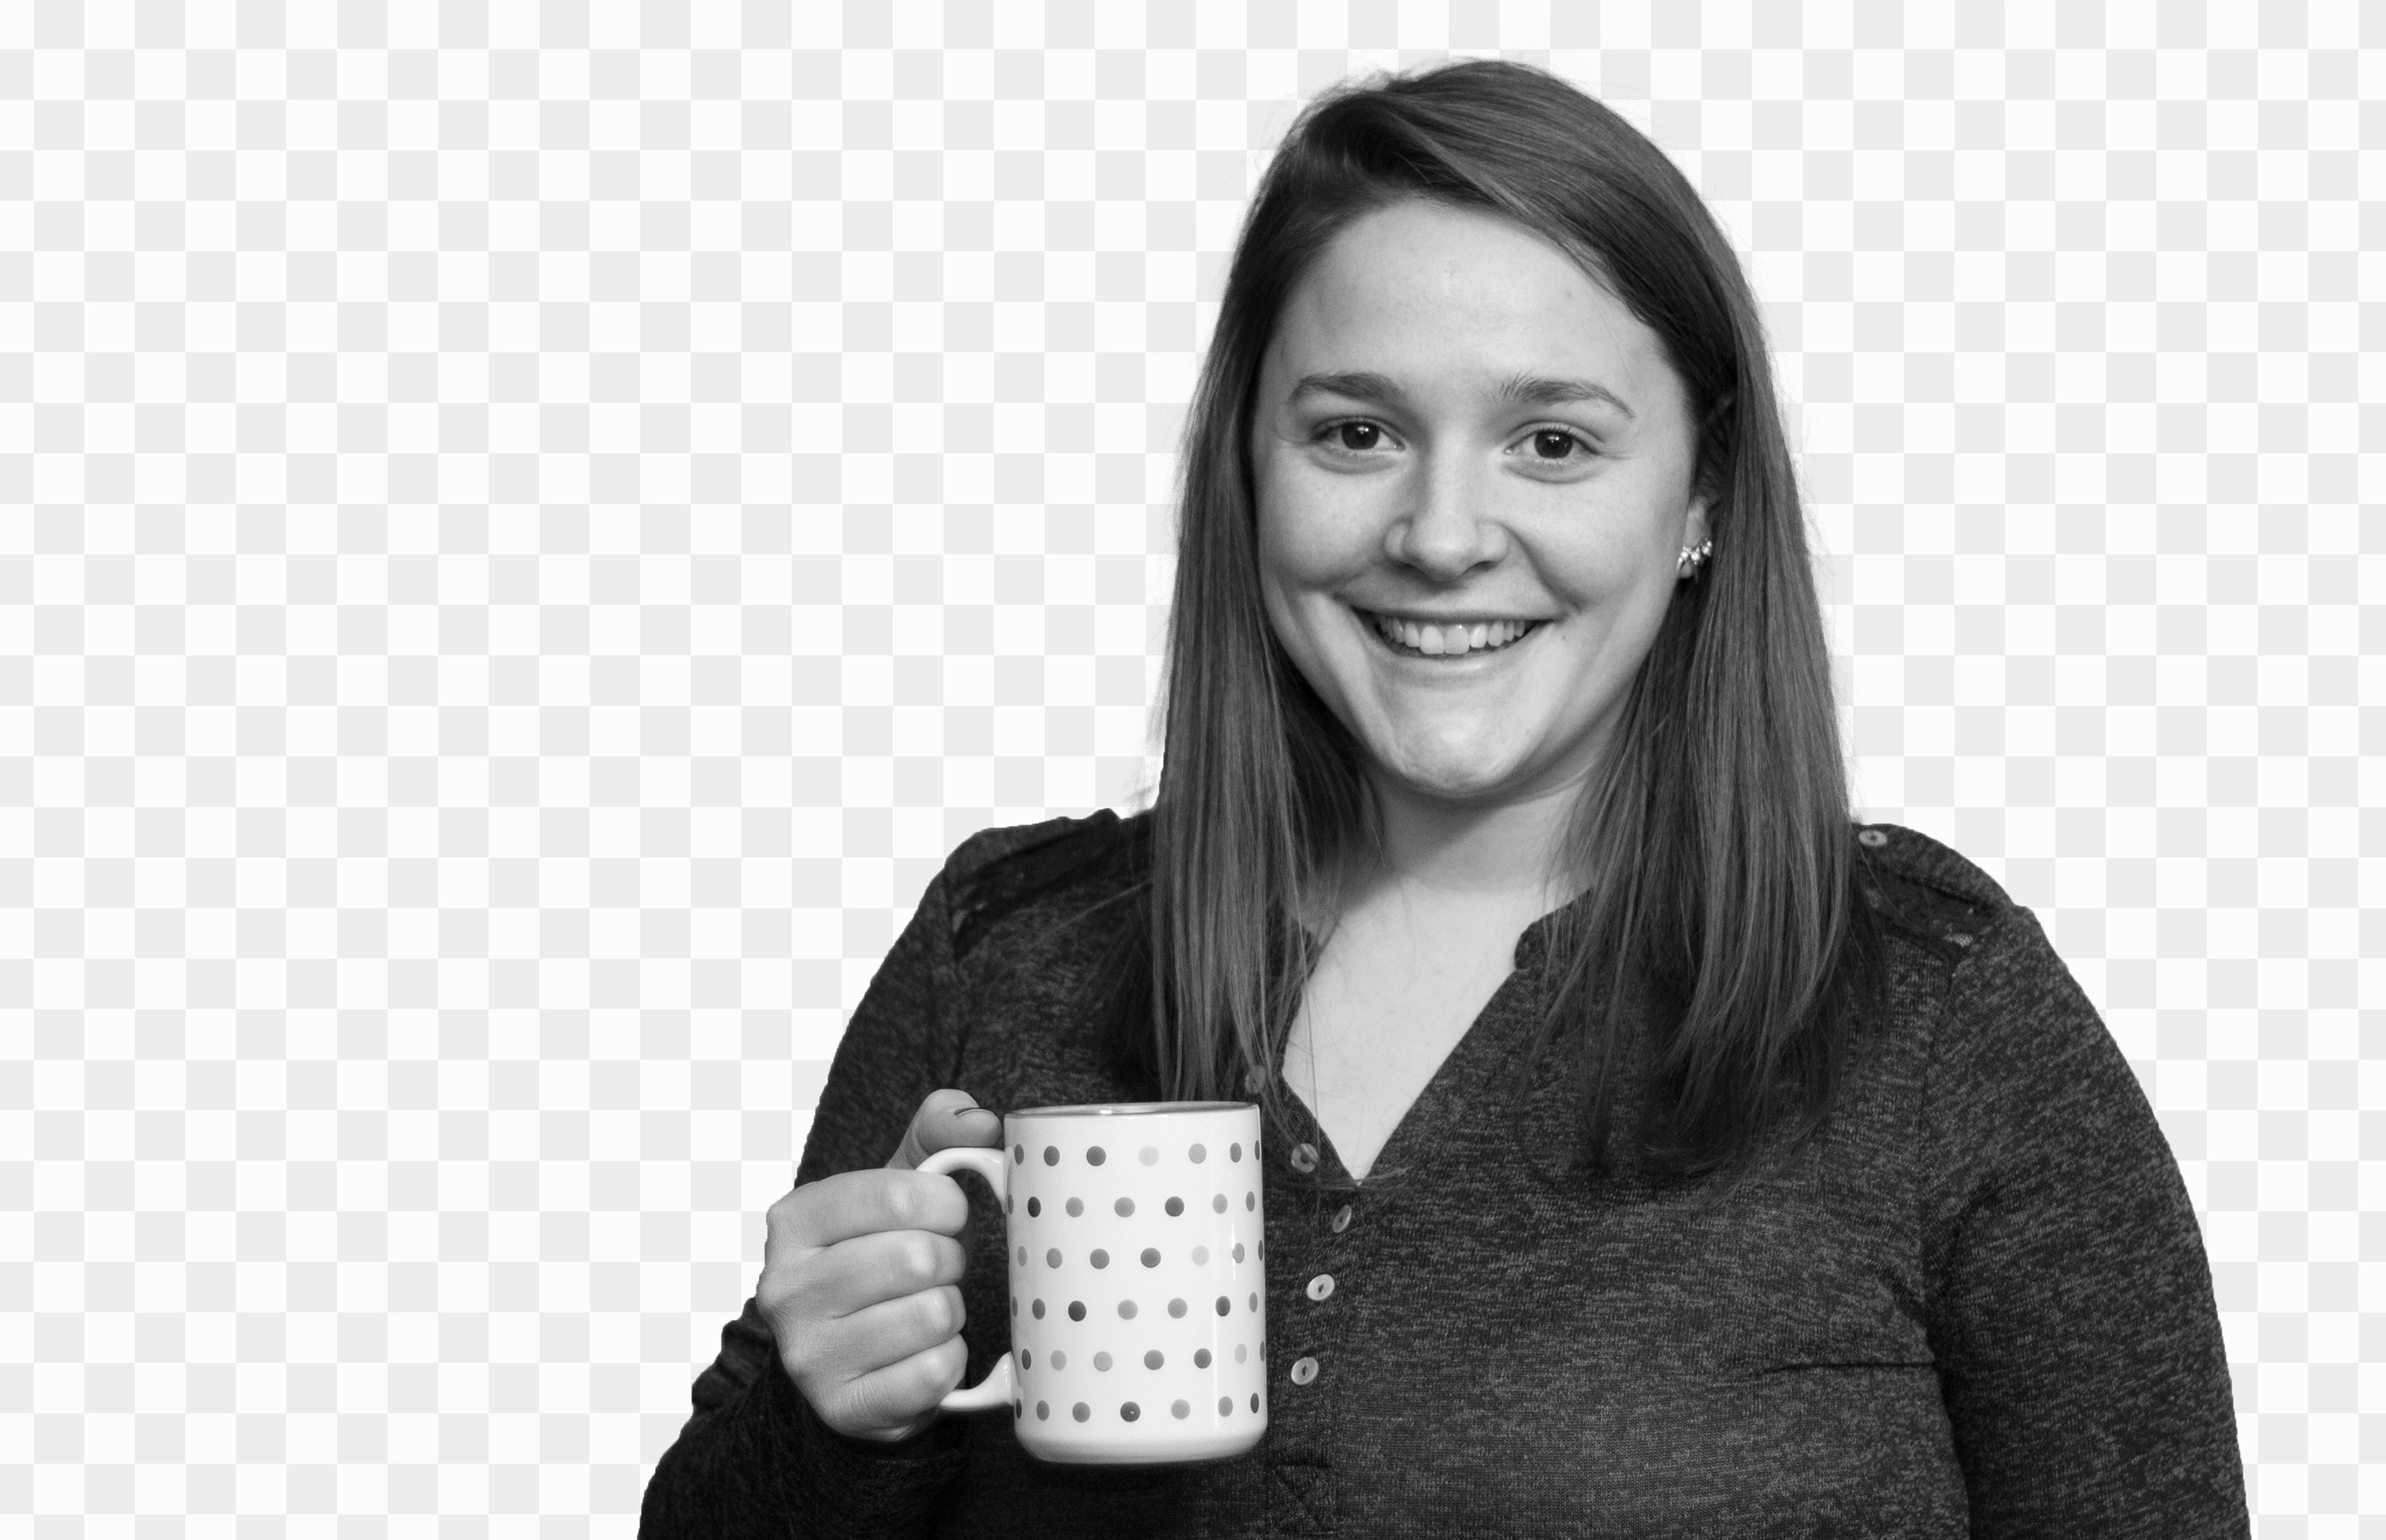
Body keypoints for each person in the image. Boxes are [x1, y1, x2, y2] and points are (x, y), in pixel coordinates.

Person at [642, 59, 2251, 1538]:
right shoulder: (1009, 958)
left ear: (1700, 496)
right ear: (1249, 473)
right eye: (1357, 432)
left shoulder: (1936, 1017)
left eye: (1553, 441)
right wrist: (830, 1413)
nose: (1441, 531)